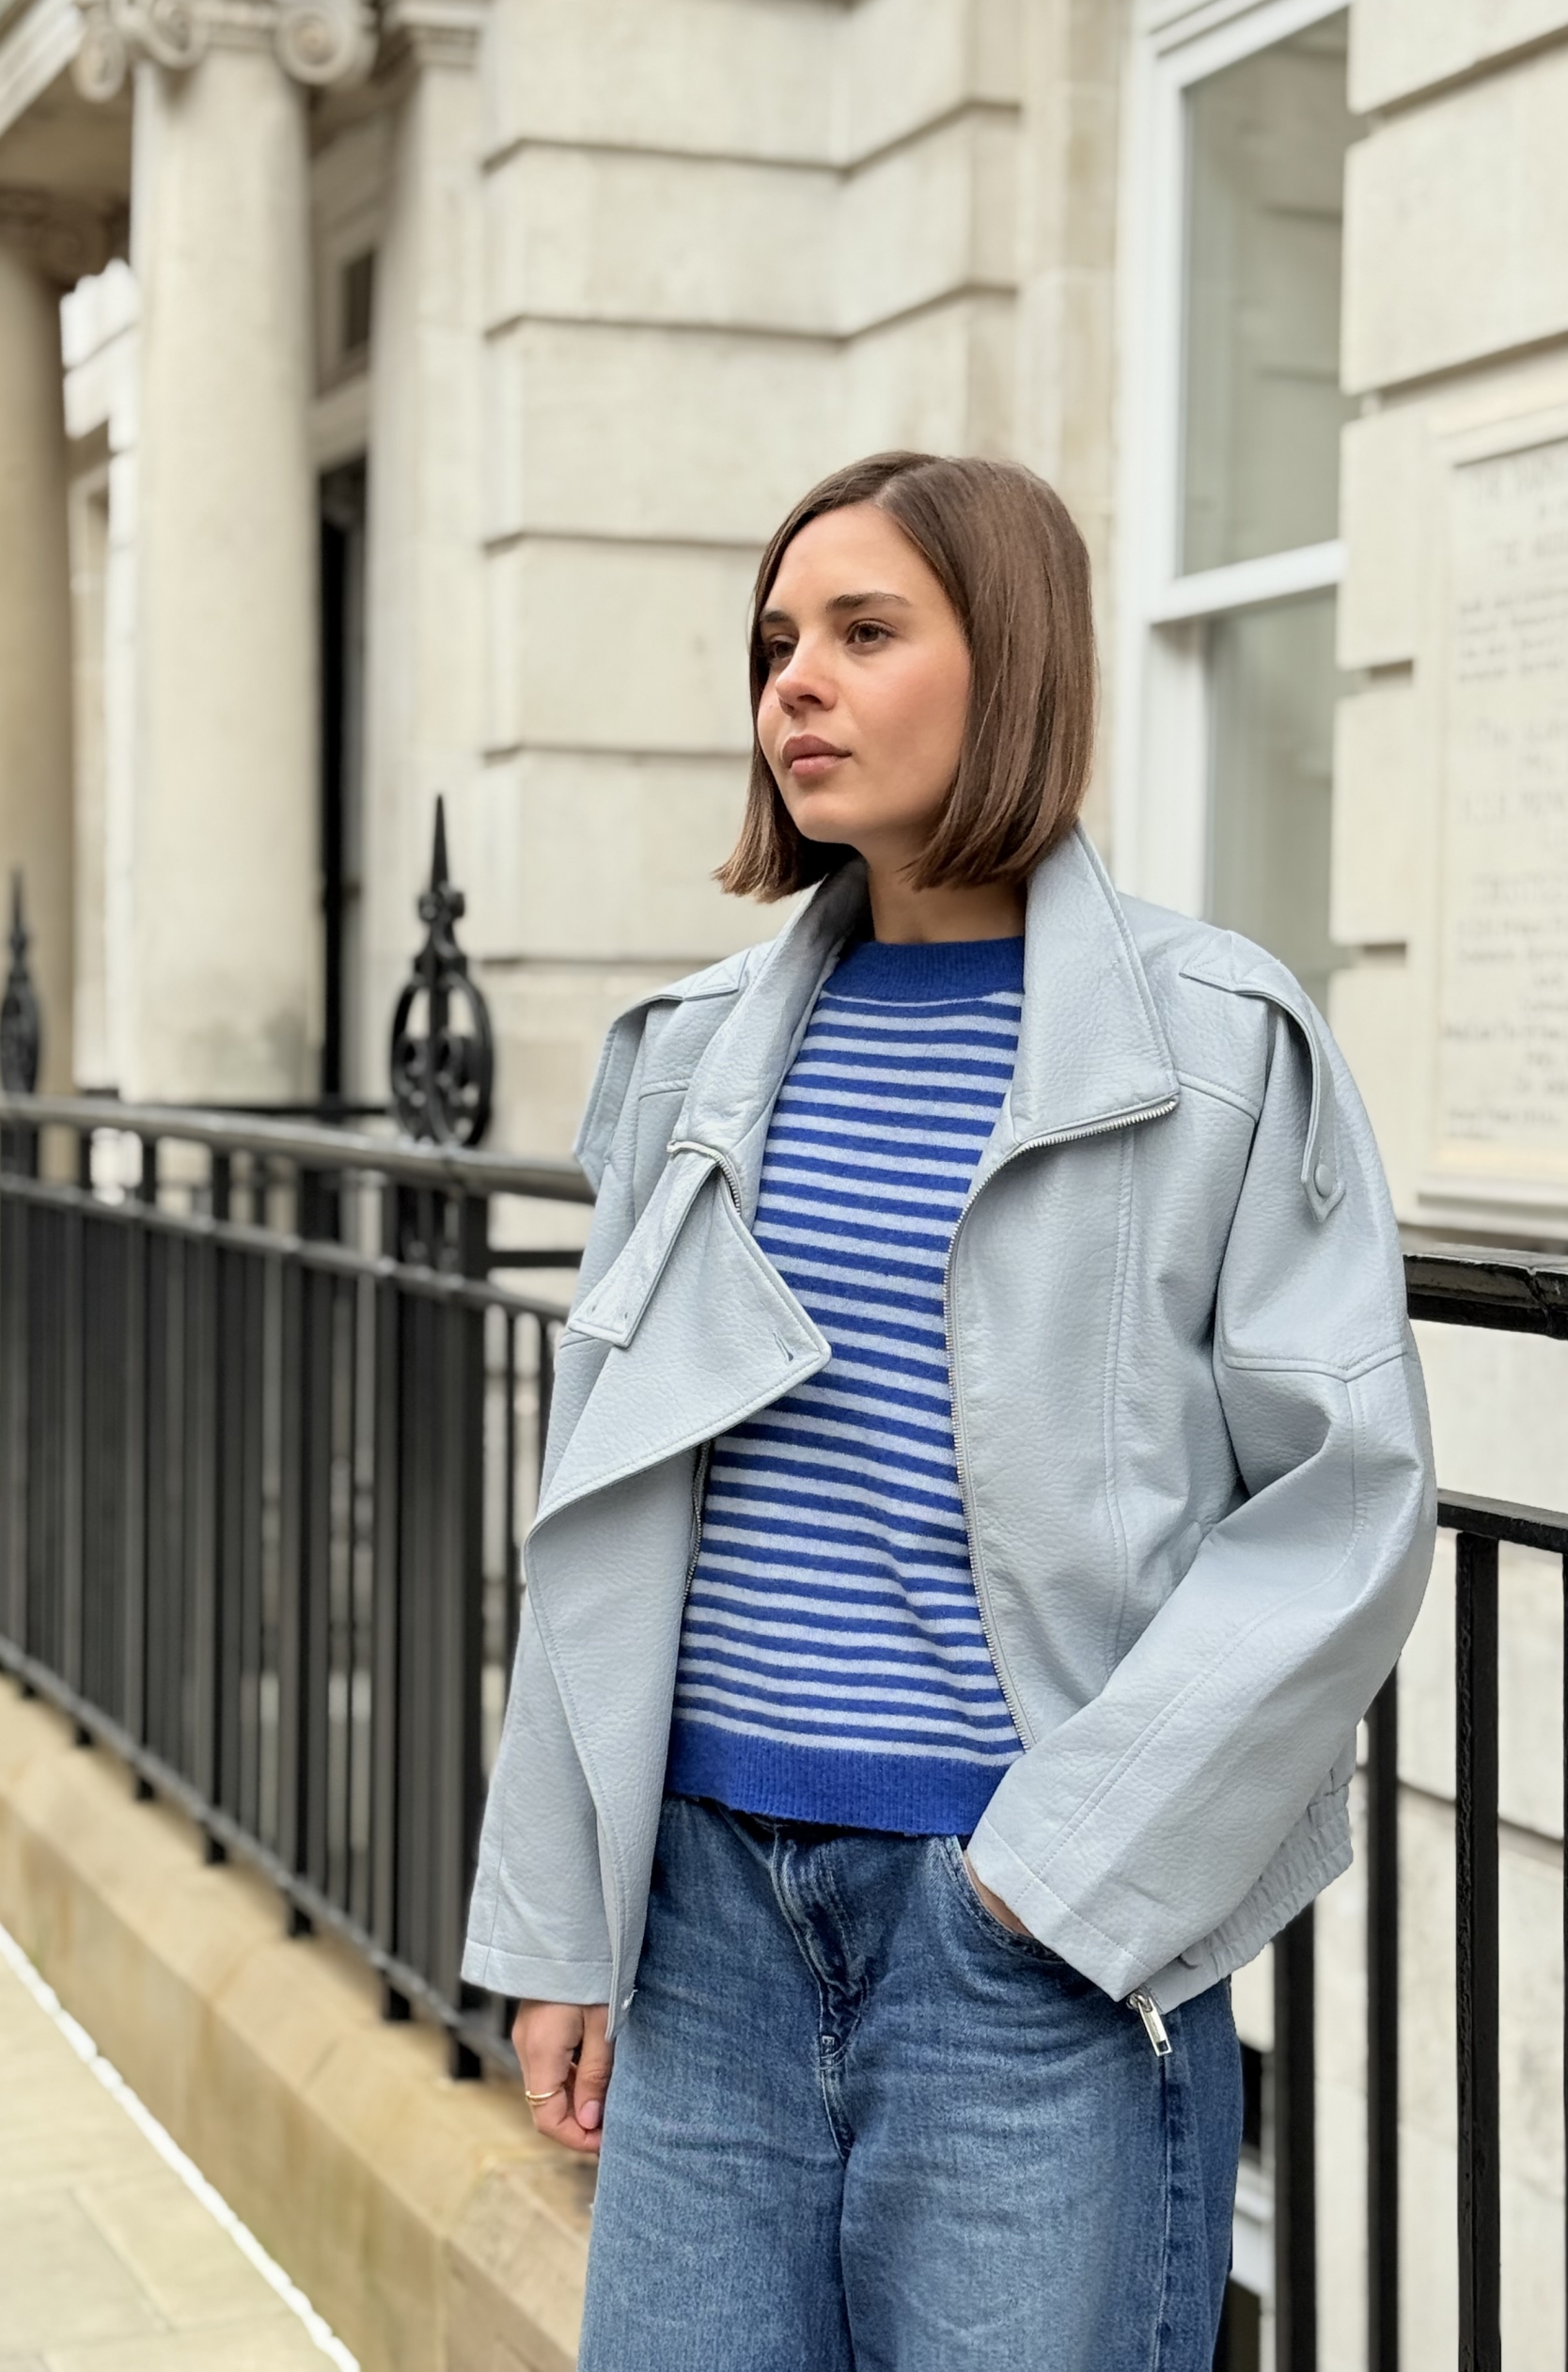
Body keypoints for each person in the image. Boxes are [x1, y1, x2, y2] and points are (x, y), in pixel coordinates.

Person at [463, 451, 1435, 2371]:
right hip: (703, 1927)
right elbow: (606, 1507)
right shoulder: (691, 1056)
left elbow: (1345, 1510)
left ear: (1019, 661)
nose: (796, 685)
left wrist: (1047, 1882)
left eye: (864, 631)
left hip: (1021, 1951)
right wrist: (562, 1922)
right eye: (776, 644)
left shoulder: (1218, 1041)